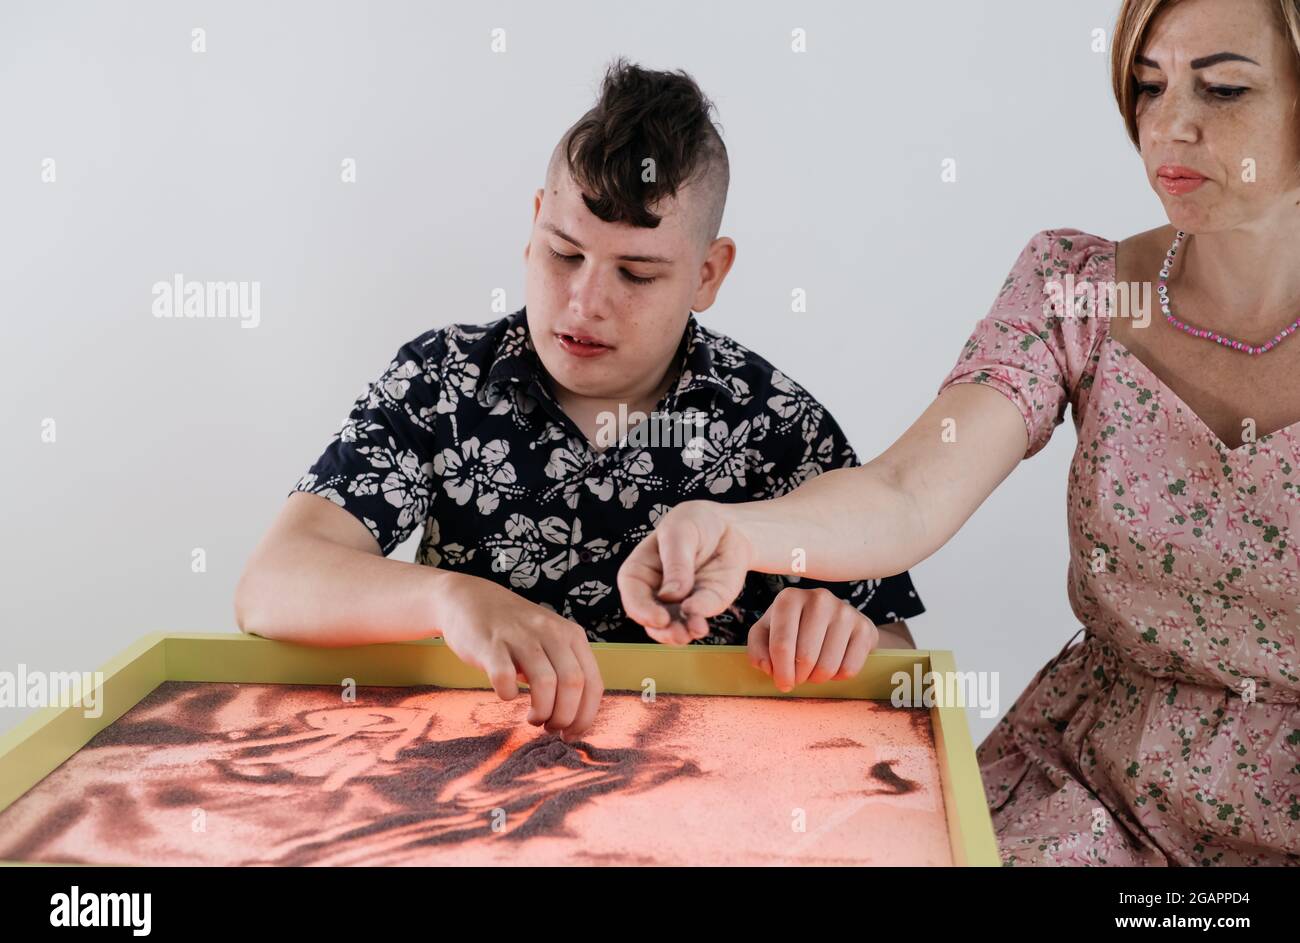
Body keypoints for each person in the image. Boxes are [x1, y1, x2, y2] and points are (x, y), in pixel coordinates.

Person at [618, 0, 1300, 865]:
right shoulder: (1076, 287)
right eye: (1149, 85)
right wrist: (738, 529)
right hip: (1097, 794)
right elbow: (909, 490)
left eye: (1226, 90)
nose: (1170, 126)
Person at [234, 59, 925, 745]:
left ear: (708, 274)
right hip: (460, 780)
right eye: (564, 255)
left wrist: (838, 639)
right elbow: (270, 586)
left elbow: (901, 669)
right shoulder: (441, 380)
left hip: (700, 802)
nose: (584, 303)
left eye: (636, 273)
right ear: (535, 223)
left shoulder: (777, 423)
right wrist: (451, 599)